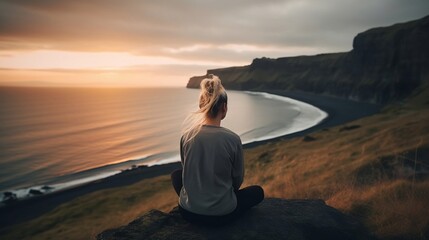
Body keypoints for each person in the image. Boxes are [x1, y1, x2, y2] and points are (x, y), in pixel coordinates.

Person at [171, 74, 264, 226]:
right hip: (222, 215)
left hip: (187, 212)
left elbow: (187, 171)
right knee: (257, 192)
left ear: (201, 106)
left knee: (176, 175)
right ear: (224, 108)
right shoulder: (232, 139)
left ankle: (194, 203)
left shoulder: (186, 136)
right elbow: (237, 181)